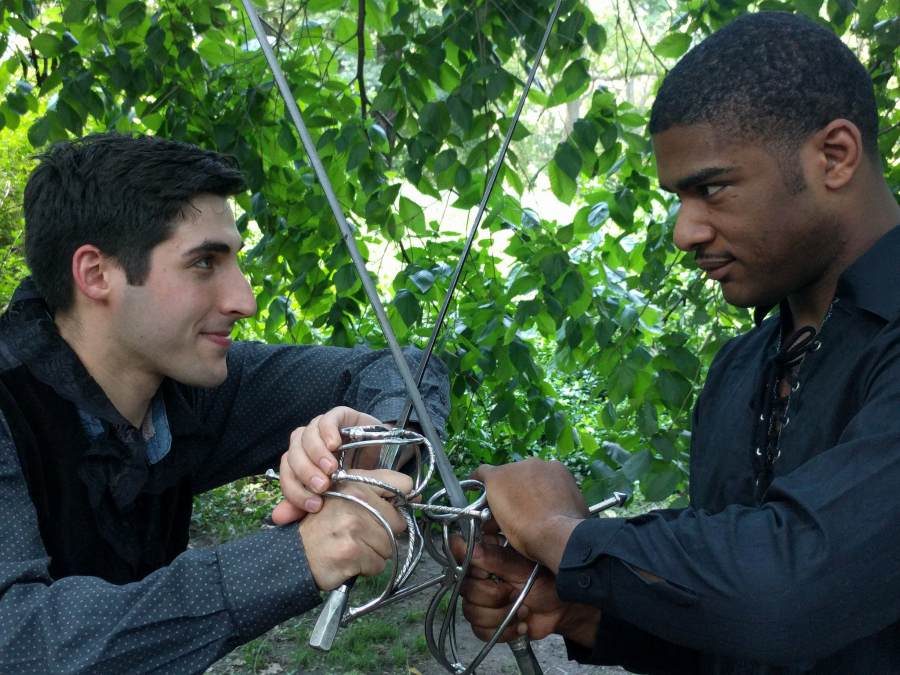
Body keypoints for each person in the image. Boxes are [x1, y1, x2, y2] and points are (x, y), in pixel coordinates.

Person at [452, 12, 900, 674]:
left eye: (712, 188)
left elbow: (786, 590)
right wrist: (581, 609)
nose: (685, 231)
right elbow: (732, 628)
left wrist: (563, 534)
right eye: (678, 198)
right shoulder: (741, 369)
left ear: (834, 156)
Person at [0, 133, 449, 672]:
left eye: (233, 259)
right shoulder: (11, 408)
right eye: (204, 263)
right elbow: (21, 640)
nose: (245, 300)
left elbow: (404, 372)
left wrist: (365, 453)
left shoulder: (190, 389)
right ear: (97, 274)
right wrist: (299, 554)